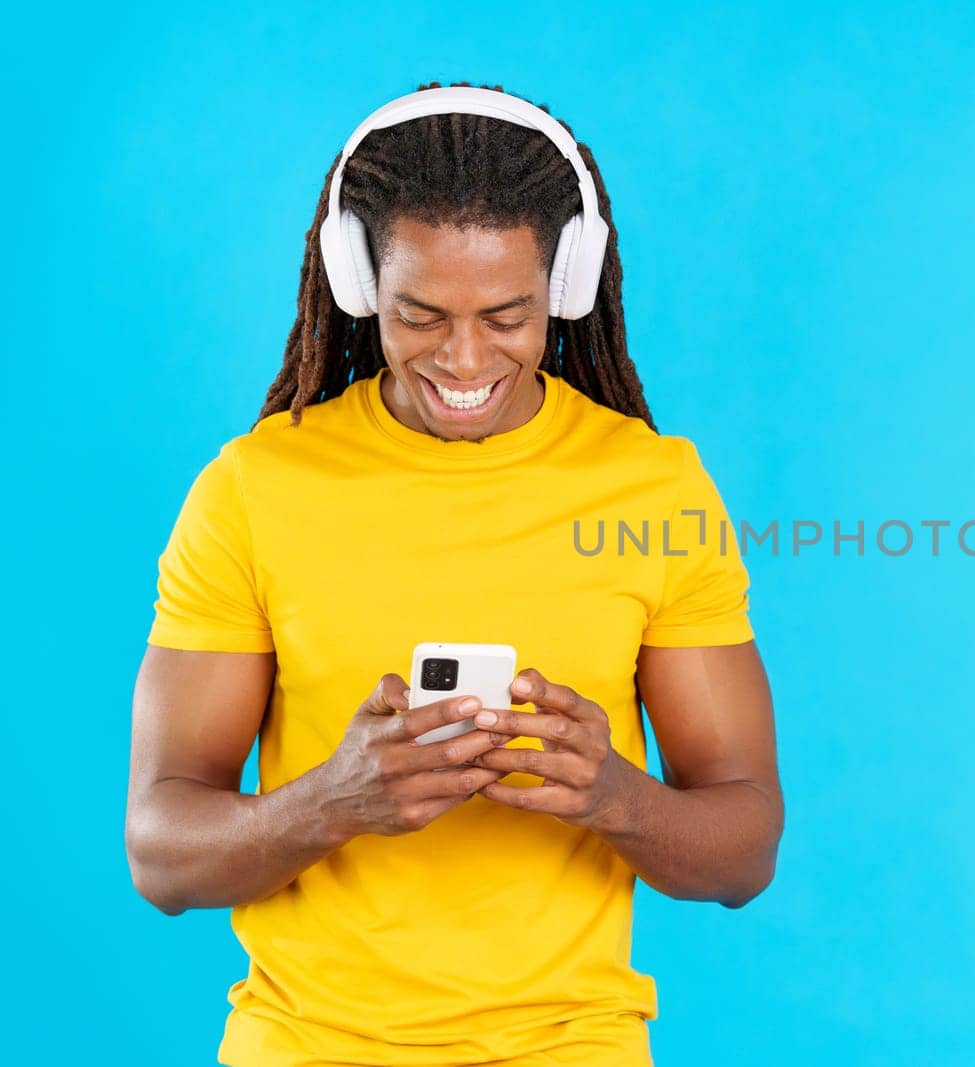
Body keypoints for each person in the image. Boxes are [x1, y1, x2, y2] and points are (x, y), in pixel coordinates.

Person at [125, 81, 784, 1066]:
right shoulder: (253, 489)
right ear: (357, 283)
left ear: (567, 288)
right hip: (306, 1043)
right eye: (420, 314)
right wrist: (335, 799)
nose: (465, 356)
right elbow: (162, 854)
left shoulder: (654, 488)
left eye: (509, 316)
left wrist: (610, 793)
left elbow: (743, 851)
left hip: (572, 1043)